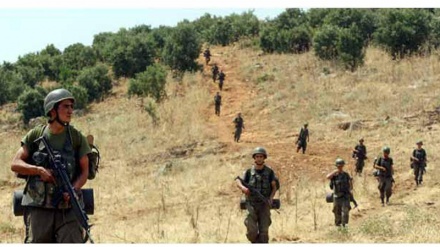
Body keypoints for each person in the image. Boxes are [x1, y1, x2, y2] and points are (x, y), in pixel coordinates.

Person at [11, 88, 92, 243]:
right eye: (65, 106)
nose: (70, 111)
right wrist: (38, 170)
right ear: (52, 111)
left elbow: (85, 171)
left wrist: (73, 190)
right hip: (39, 209)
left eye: (71, 107)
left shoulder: (76, 137)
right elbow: (15, 164)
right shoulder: (36, 135)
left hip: (68, 208)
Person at [236, 147, 278, 243]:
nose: (259, 158)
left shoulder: (269, 172)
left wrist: (271, 198)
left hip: (264, 204)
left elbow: (274, 187)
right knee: (252, 232)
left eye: (261, 156)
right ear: (254, 158)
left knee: (264, 233)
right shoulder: (248, 172)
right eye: (257, 156)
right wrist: (243, 188)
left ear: (264, 158)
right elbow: (238, 180)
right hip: (251, 204)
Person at [327, 158, 353, 228]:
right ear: (336, 166)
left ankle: (345, 225)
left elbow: (350, 182)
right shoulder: (334, 175)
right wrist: (335, 171)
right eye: (338, 166)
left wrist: (351, 190)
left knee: (345, 211)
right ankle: (338, 225)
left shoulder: (346, 174)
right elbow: (328, 177)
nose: (340, 167)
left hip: (345, 196)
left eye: (341, 166)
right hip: (336, 196)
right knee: (336, 211)